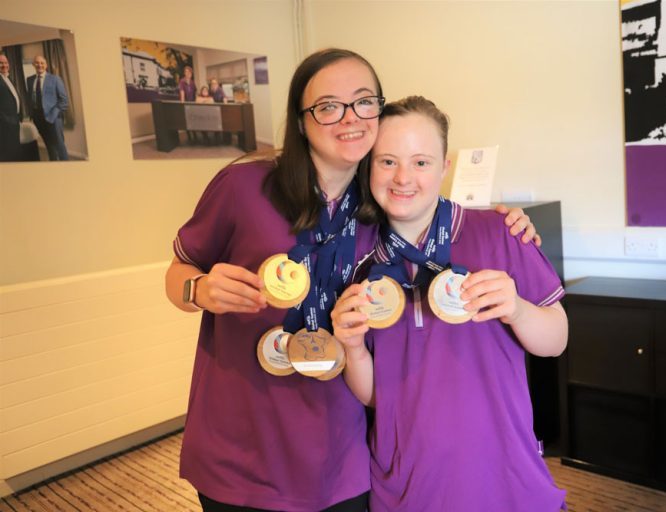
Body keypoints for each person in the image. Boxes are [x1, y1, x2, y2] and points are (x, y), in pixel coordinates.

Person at [165, 49, 538, 512]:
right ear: (301, 121)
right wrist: (197, 290)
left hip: (341, 451)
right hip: (242, 447)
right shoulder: (244, 185)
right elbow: (178, 273)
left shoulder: (384, 204)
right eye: (327, 106)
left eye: (364, 102)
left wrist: (510, 220)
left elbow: (435, 213)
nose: (350, 118)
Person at [331, 96, 568, 511]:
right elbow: (375, 398)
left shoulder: (500, 232)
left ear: (444, 167)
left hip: (505, 477)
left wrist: (517, 309)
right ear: (369, 167)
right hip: (406, 486)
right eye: (387, 161)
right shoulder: (358, 260)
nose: (403, 177)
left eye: (421, 162)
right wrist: (351, 348)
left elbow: (557, 340)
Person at [26, 55, 68, 161]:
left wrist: (52, 116)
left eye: (42, 63)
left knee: (59, 146)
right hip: (38, 119)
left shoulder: (55, 79)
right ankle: (53, 165)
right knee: (49, 145)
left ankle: (67, 167)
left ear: (46, 65)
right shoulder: (30, 80)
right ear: (33, 65)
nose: (39, 65)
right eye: (37, 63)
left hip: (53, 119)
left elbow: (63, 101)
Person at [0, 53, 21, 161]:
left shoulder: (9, 78)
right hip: (5, 124)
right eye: (1, 63)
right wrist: (7, 120)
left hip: (15, 121)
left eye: (6, 62)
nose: (4, 65)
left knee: (14, 150)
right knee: (7, 154)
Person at [178, 65, 198, 144]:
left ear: (191, 73)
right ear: (184, 73)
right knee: (187, 121)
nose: (187, 73)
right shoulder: (182, 81)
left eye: (189, 72)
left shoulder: (192, 82)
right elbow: (182, 92)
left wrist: (196, 103)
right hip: (186, 103)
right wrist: (182, 104)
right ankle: (189, 137)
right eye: (186, 72)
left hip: (192, 103)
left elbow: (195, 93)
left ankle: (195, 135)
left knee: (193, 120)